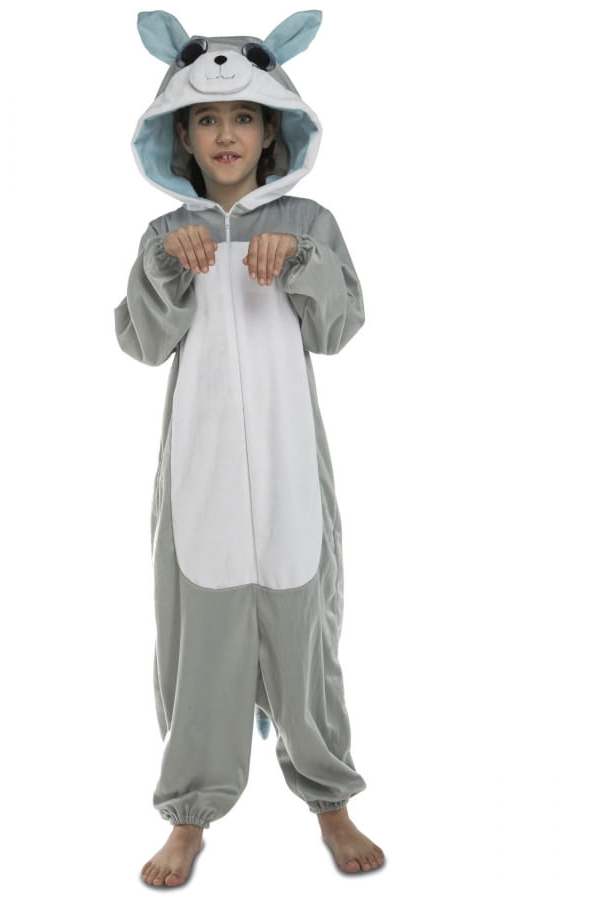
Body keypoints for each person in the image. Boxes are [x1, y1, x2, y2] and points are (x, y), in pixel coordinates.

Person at [115, 11, 384, 886]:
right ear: (180, 135)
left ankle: (330, 799)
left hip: (288, 459)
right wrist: (168, 269)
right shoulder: (167, 236)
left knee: (306, 633)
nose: (225, 133)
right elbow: (142, 342)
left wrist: (299, 257)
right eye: (206, 118)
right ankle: (189, 814)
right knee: (198, 641)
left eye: (243, 117)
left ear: (273, 130)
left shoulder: (310, 220)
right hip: (198, 469)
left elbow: (339, 328)